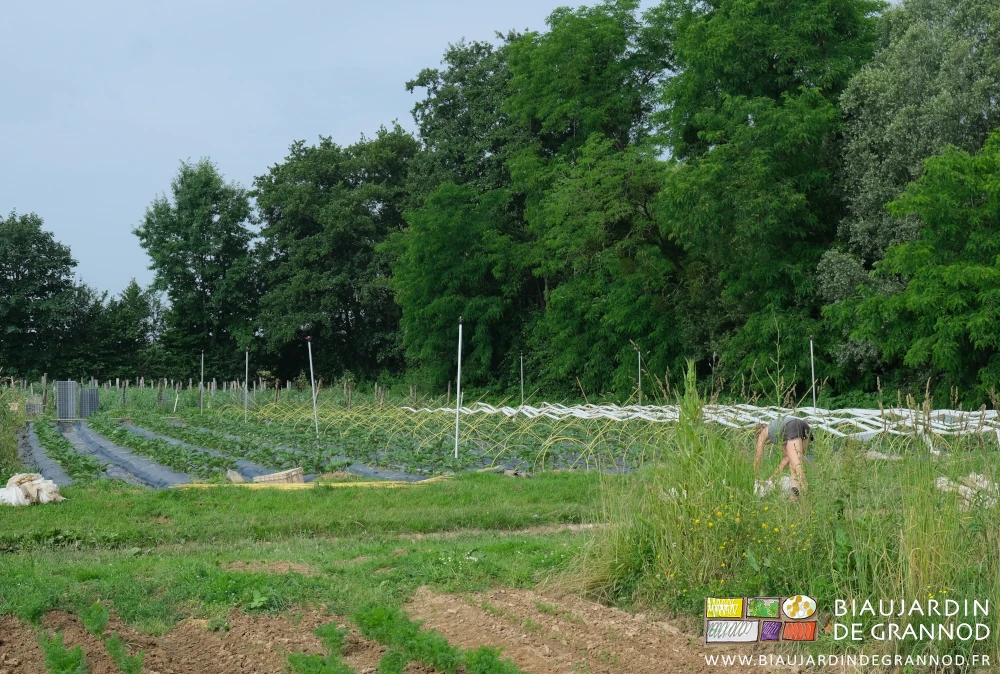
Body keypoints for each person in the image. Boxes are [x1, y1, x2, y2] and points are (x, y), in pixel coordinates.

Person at [754, 416, 812, 498]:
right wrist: (772, 478)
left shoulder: (762, 434)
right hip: (805, 427)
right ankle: (795, 498)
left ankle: (806, 496)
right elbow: (788, 458)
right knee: (793, 466)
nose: (769, 444)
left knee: (797, 467)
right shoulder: (777, 429)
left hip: (793, 427)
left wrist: (754, 477)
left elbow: (758, 458)